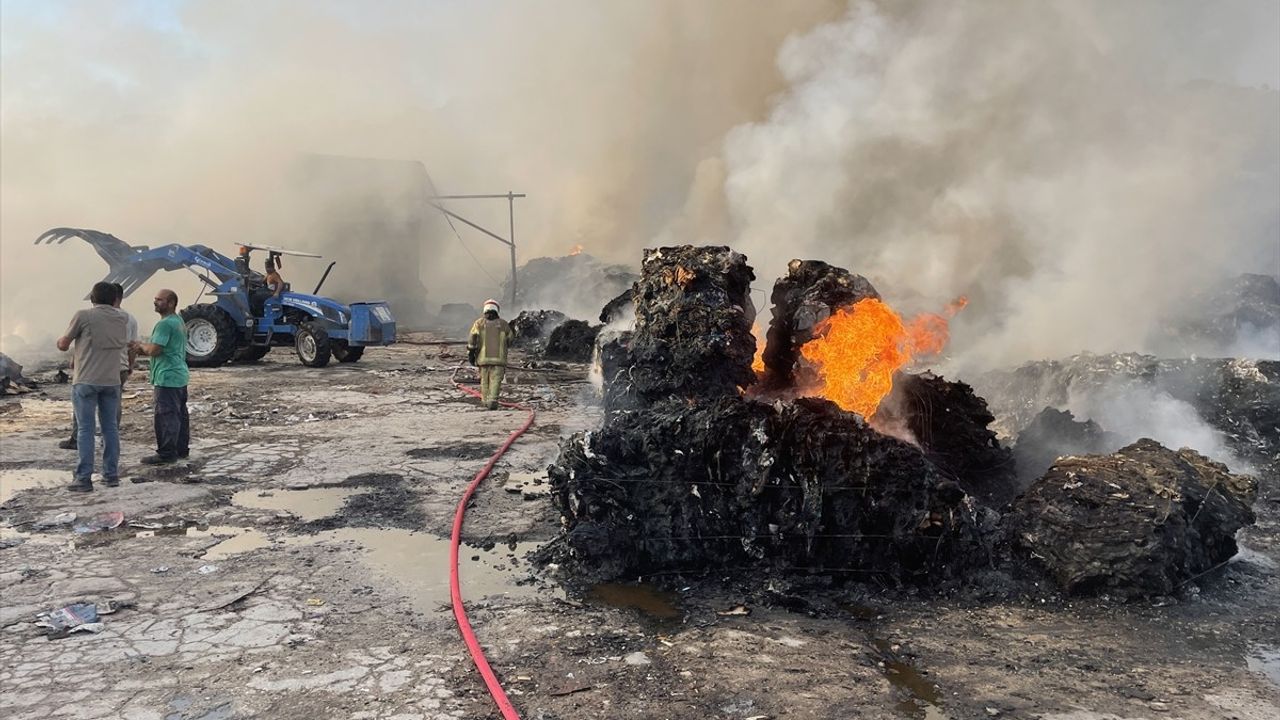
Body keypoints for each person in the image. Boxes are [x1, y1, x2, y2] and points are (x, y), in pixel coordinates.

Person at [56, 281, 130, 491]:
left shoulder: (84, 315)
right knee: (110, 429)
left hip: (86, 380)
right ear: (114, 298)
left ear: (92, 297)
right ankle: (111, 475)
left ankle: (83, 478)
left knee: (86, 430)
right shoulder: (122, 317)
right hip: (111, 381)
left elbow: (63, 344)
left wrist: (61, 340)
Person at [59, 283, 139, 450]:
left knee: (84, 420)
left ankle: (78, 447)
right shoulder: (127, 318)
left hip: (91, 372)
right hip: (118, 370)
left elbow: (80, 343)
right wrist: (131, 365)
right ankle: (109, 448)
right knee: (112, 414)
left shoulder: (86, 316)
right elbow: (132, 346)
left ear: (93, 298)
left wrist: (74, 356)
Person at [133, 289, 190, 464]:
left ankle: (166, 454)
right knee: (179, 415)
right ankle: (181, 450)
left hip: (167, 376)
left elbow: (155, 350)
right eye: (155, 299)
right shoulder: (178, 321)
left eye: (160, 300)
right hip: (179, 375)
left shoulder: (164, 324)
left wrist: (141, 346)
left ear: (171, 303)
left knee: (165, 416)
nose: (155, 302)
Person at [467, 299, 512, 410]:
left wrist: (471, 354)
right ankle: (493, 400)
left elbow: (472, 339)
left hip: (483, 358)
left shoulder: (479, 323)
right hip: (498, 359)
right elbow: (510, 339)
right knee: (496, 379)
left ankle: (485, 400)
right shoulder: (504, 324)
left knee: (484, 380)